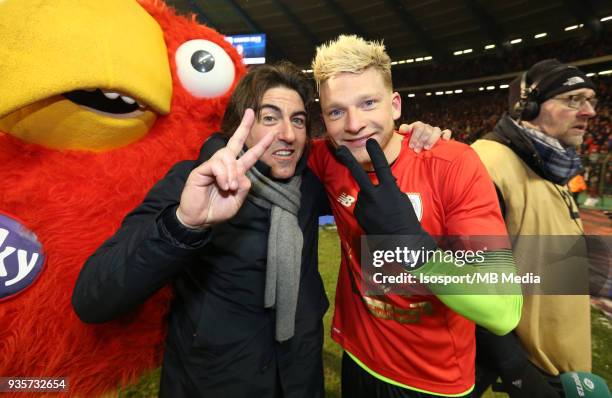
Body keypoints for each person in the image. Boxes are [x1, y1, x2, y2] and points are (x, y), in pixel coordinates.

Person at [72, 61, 448, 397]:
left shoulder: (311, 182)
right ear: (241, 126)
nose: (287, 133)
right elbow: (94, 298)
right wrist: (183, 225)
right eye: (270, 118)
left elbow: (367, 144)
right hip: (212, 382)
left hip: (299, 378)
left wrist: (410, 135)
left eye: (298, 120)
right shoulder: (191, 184)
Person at [307, 34, 523, 398]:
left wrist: (415, 249)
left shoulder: (452, 164)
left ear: (395, 105)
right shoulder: (329, 157)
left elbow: (503, 311)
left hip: (434, 379)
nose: (354, 124)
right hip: (359, 359)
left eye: (369, 103)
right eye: (337, 111)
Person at [471, 59, 598, 397]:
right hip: (528, 367)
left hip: (565, 361)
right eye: (573, 99)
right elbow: (468, 284)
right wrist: (517, 371)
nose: (588, 112)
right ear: (529, 106)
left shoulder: (554, 163)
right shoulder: (489, 164)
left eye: (591, 100)